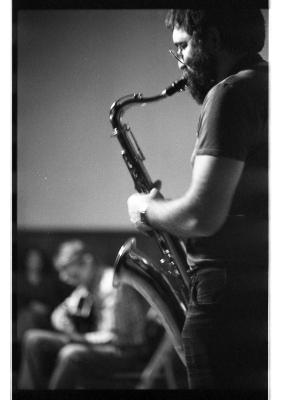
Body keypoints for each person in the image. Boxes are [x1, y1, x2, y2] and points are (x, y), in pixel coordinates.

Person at [127, 8, 268, 391]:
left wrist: (147, 209)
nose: (181, 61)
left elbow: (201, 217)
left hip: (226, 297)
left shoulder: (230, 93)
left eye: (184, 46)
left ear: (214, 40)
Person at [17, 240, 154, 389]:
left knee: (71, 354)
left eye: (73, 275)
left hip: (125, 351)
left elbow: (115, 337)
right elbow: (63, 308)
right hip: (98, 343)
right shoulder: (87, 284)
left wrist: (77, 338)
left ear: (88, 262)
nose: (67, 279)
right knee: (34, 339)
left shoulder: (111, 286)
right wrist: (60, 317)